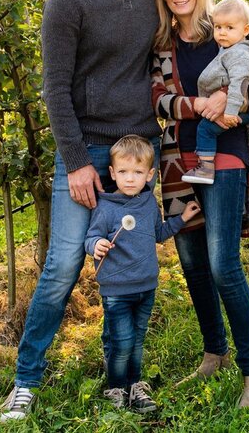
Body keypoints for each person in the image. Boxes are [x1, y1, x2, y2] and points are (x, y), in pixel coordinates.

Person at [1, 0, 162, 423]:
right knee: (65, 263)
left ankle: (124, 376)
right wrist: (75, 162)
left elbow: (199, 32)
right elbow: (54, 87)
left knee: (132, 261)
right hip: (87, 150)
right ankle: (26, 379)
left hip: (138, 153)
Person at [149, 0, 249, 409]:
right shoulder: (162, 45)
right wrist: (199, 105)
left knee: (223, 265)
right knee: (192, 263)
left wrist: (236, 98)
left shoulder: (227, 30)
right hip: (177, 160)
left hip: (225, 155)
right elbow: (157, 99)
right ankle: (215, 352)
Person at [84, 135, 201, 413]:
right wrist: (96, 245)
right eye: (123, 171)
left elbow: (158, 234)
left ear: (150, 175)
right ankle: (116, 387)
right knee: (122, 342)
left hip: (146, 286)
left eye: (137, 172)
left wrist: (182, 218)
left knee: (137, 341)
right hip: (117, 290)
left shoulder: (148, 203)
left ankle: (134, 385)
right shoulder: (106, 206)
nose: (129, 178)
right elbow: (91, 237)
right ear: (112, 172)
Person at [181, 0, 249, 185]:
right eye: (218, 27)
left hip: (237, 107)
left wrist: (230, 111)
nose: (222, 33)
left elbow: (237, 85)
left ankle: (205, 167)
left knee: (205, 129)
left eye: (229, 28)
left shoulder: (236, 55)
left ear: (245, 29)